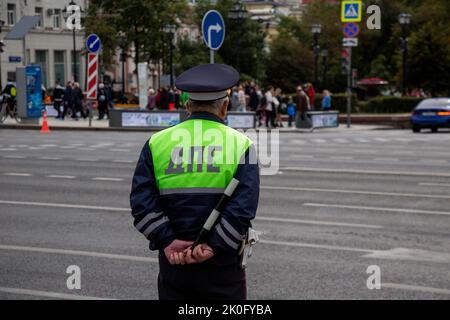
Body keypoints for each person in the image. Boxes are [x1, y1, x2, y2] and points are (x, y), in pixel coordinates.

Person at [130, 63, 260, 300]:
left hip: (174, 265)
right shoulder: (242, 145)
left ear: (187, 106)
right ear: (224, 106)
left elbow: (141, 203)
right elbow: (243, 209)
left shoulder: (156, 143)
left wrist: (168, 240)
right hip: (222, 265)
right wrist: (213, 246)